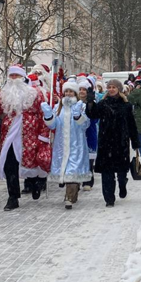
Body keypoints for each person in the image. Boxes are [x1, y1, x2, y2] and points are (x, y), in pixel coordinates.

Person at [0, 65, 52, 211]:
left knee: (31, 163)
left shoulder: (35, 93)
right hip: (10, 134)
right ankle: (13, 197)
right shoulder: (3, 96)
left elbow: (42, 115)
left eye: (16, 76)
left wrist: (43, 136)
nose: (13, 79)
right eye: (11, 76)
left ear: (23, 77)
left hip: (30, 134)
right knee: (9, 165)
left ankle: (35, 183)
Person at [86, 79, 139, 207]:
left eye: (113, 87)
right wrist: (90, 102)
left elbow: (131, 124)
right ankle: (109, 198)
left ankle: (122, 184)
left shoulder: (126, 105)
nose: (111, 89)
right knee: (107, 173)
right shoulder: (103, 104)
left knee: (121, 171)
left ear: (119, 89)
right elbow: (92, 115)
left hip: (121, 142)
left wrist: (135, 142)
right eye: (109, 87)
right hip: (106, 142)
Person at [42, 81, 91, 209]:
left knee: (73, 170)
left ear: (75, 93)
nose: (68, 94)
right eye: (66, 91)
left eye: (71, 91)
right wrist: (48, 116)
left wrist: (79, 116)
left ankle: (69, 196)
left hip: (77, 144)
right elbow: (53, 125)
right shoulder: (59, 107)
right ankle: (72, 194)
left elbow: (86, 125)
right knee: (66, 170)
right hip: (61, 145)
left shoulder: (81, 106)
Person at [78, 78, 99, 190]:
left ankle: (88, 181)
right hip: (77, 135)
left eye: (84, 90)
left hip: (89, 133)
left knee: (89, 159)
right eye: (80, 89)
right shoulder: (74, 103)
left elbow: (94, 119)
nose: (81, 92)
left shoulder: (92, 104)